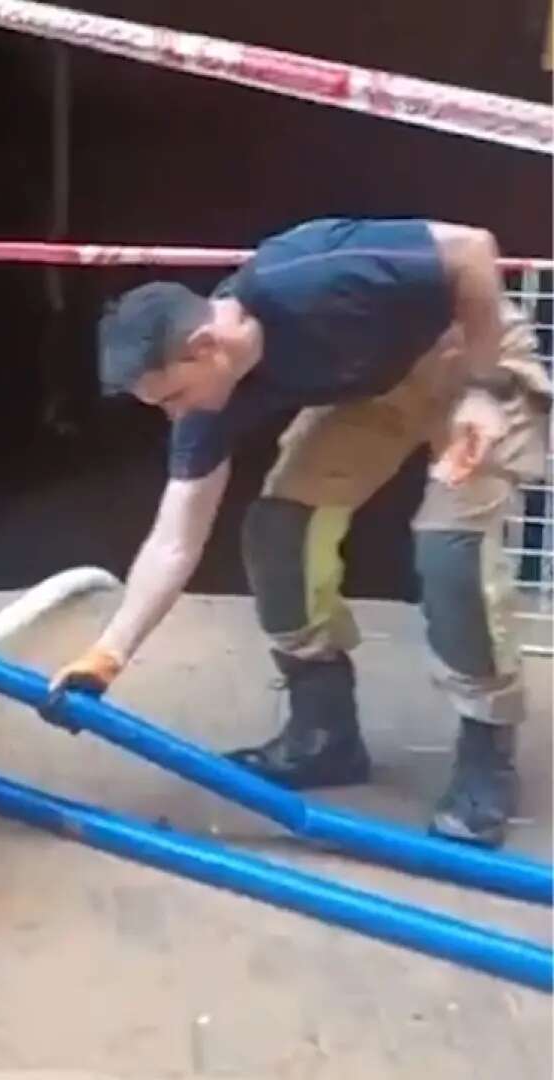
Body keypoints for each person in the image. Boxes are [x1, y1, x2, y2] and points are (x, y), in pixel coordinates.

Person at [51, 217, 551, 848]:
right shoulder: (213, 399)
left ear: (206, 345)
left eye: (173, 395)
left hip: (471, 352)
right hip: (375, 388)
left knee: (450, 550)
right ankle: (324, 737)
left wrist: (485, 389)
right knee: (280, 531)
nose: (175, 414)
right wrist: (106, 655)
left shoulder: (310, 277)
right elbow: (175, 539)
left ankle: (487, 758)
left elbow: (472, 249)